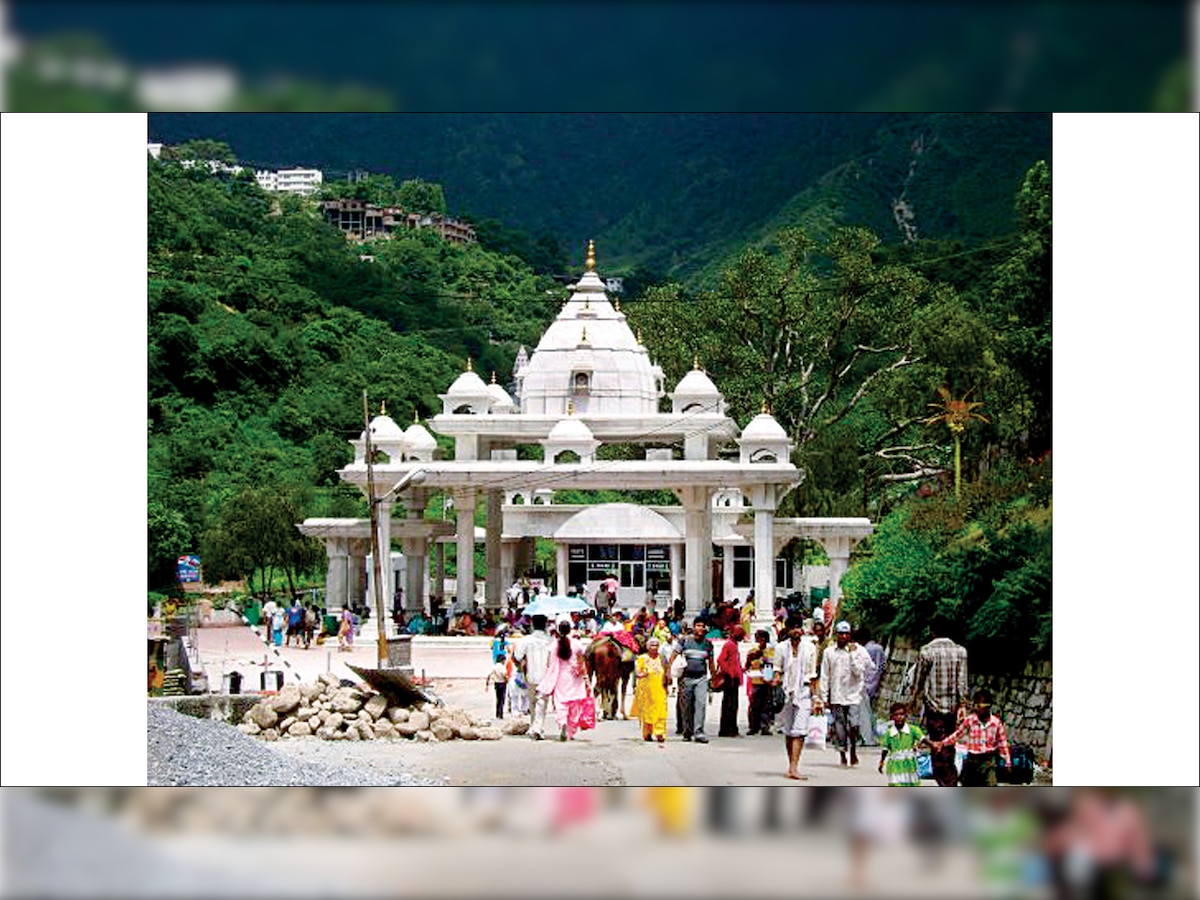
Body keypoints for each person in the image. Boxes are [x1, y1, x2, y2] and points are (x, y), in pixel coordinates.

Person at [909, 614, 970, 786]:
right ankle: (950, 778)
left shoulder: (927, 651)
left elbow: (918, 680)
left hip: (933, 707)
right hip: (952, 708)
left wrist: (912, 700)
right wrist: (963, 705)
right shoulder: (960, 651)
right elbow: (962, 681)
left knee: (936, 744)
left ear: (932, 631)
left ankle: (947, 782)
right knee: (949, 743)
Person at [821, 620, 876, 767]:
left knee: (854, 724)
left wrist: (852, 655)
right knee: (839, 726)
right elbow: (825, 675)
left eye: (846, 634)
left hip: (854, 694)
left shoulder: (858, 650)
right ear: (836, 635)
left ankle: (853, 750)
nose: (843, 637)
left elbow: (861, 671)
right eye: (841, 634)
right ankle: (843, 753)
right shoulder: (829, 652)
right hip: (837, 695)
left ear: (850, 635)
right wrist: (823, 696)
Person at [932, 688, 1011, 786]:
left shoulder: (996, 723)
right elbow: (957, 735)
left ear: (988, 706)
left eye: (979, 705)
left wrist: (1007, 762)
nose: (976, 708)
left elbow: (1002, 743)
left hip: (988, 761)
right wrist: (942, 743)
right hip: (972, 760)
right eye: (975, 705)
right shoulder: (970, 720)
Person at [778, 618, 820, 780]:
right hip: (786, 692)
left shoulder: (810, 648)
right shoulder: (781, 648)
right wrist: (775, 680)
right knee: (789, 731)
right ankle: (791, 764)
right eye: (793, 627)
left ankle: (794, 767)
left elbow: (812, 674)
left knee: (800, 731)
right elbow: (776, 670)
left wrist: (816, 697)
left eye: (798, 627)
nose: (796, 631)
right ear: (788, 630)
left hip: (804, 691)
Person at [538, 620, 591, 741]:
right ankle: (570, 731)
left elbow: (548, 663)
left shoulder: (554, 645)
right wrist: (586, 678)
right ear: (570, 629)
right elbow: (582, 661)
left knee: (561, 703)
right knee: (575, 703)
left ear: (558, 630)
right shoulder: (577, 643)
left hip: (560, 677)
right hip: (574, 677)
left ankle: (562, 723)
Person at [513, 614, 554, 740]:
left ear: (532, 624)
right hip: (545, 675)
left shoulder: (526, 640)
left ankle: (534, 726)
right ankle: (537, 728)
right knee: (542, 702)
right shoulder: (550, 640)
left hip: (531, 675)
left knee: (532, 702)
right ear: (546, 624)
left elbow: (517, 656)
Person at [677, 619, 717, 743]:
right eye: (698, 625)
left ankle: (699, 732)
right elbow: (674, 655)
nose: (700, 628)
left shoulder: (708, 644)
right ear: (693, 627)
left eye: (703, 626)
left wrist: (714, 677)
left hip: (701, 678)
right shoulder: (685, 641)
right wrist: (669, 673)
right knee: (687, 706)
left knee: (701, 704)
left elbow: (711, 662)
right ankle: (687, 730)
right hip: (686, 678)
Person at [878, 702, 931, 786]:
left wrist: (933, 744)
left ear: (906, 715)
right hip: (895, 764)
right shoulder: (889, 733)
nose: (899, 717)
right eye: (896, 715)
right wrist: (881, 762)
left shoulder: (913, 730)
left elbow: (923, 739)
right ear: (892, 717)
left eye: (901, 714)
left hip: (909, 764)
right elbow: (885, 749)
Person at [632, 636, 669, 743]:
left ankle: (660, 733)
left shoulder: (662, 658)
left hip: (659, 689)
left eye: (656, 645)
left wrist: (667, 686)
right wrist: (644, 674)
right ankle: (647, 733)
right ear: (648, 647)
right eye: (652, 645)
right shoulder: (642, 658)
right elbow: (638, 674)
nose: (654, 647)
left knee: (661, 711)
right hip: (646, 691)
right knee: (648, 712)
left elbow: (666, 672)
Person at [858, 625, 886, 746]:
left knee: (864, 713)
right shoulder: (879, 648)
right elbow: (883, 667)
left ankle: (866, 738)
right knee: (871, 712)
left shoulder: (863, 650)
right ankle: (871, 736)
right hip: (876, 683)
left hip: (863, 685)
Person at [745, 629, 776, 736]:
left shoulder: (771, 651)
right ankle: (753, 726)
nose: (761, 642)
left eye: (763, 639)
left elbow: (774, 664)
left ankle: (765, 726)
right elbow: (747, 666)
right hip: (755, 680)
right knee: (754, 705)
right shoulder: (752, 651)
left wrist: (766, 659)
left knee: (766, 705)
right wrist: (751, 658)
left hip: (767, 681)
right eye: (759, 639)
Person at [716, 625, 745, 737]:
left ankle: (729, 728)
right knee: (730, 704)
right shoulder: (729, 645)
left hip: (734, 677)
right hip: (730, 678)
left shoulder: (733, 645)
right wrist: (729, 673)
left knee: (731, 704)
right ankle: (728, 729)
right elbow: (721, 660)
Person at [485, 649, 509, 720]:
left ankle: (497, 713)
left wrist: (487, 685)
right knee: (502, 699)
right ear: (502, 660)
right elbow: (504, 675)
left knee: (498, 699)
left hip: (496, 683)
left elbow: (488, 675)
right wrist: (507, 680)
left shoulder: (494, 666)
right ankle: (500, 714)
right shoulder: (502, 667)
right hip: (502, 683)